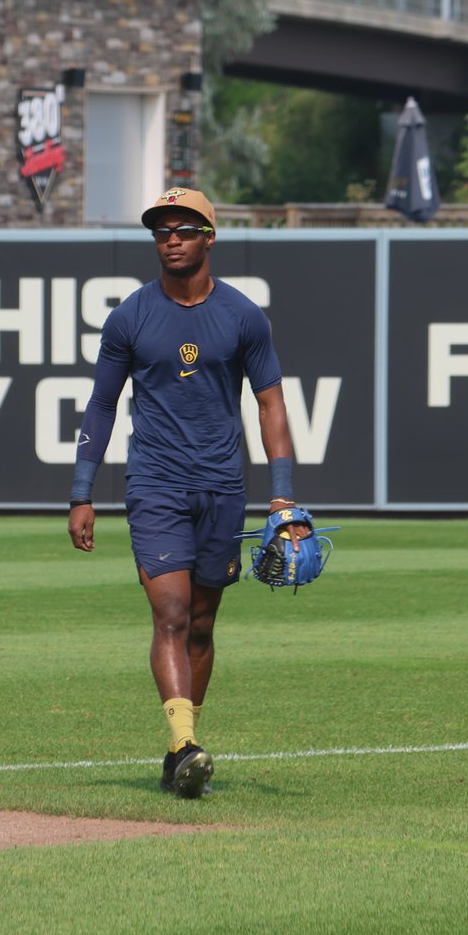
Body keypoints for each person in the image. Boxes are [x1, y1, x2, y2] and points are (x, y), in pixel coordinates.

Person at [67, 187, 309, 798]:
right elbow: (101, 405)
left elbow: (271, 403)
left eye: (184, 228)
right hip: (156, 485)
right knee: (171, 612)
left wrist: (282, 496)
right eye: (161, 230)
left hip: (223, 486)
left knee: (201, 624)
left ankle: (180, 758)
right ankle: (184, 744)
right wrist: (81, 492)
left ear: (209, 236)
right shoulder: (130, 317)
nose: (171, 238)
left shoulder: (244, 315)